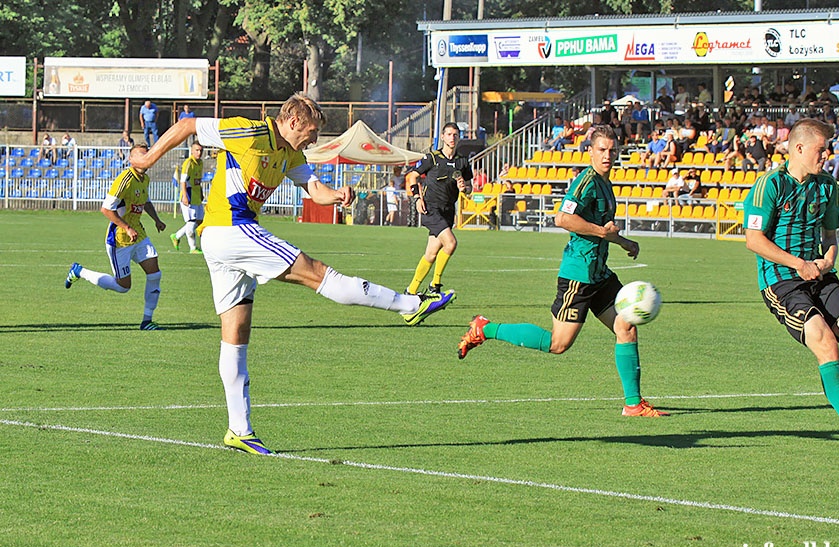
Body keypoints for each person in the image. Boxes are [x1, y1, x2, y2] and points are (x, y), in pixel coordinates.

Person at [128, 93, 456, 455]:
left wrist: (338, 195)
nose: (314, 139)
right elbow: (190, 126)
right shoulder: (249, 131)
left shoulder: (292, 153)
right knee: (316, 273)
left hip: (222, 240)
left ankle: (239, 430)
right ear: (294, 122)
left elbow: (314, 190)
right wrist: (146, 158)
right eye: (312, 131)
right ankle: (409, 304)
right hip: (231, 229)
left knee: (236, 334)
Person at [457, 125, 668, 418]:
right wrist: (604, 234)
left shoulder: (606, 183)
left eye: (612, 150)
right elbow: (563, 218)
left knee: (626, 327)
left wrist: (623, 242)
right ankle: (485, 328)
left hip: (599, 273)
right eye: (602, 150)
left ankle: (633, 404)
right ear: (591, 151)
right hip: (578, 275)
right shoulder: (586, 182)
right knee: (558, 344)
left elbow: (603, 231)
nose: (608, 155)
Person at [743, 118, 839, 453]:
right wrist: (799, 264)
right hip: (782, 282)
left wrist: (826, 260)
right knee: (825, 341)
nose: (828, 154)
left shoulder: (826, 186)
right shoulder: (769, 184)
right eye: (821, 149)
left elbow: (830, 237)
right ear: (798, 148)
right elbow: (753, 240)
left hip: (820, 275)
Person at [64, 143, 167, 331]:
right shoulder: (124, 180)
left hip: (139, 234)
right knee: (123, 287)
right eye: (142, 155)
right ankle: (80, 272)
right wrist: (127, 227)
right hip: (119, 239)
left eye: (148, 155)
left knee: (155, 274)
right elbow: (106, 209)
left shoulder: (145, 179)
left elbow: (146, 201)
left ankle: (147, 321)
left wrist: (156, 220)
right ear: (131, 159)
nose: (146, 159)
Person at [404, 122, 473, 296]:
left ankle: (410, 290)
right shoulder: (432, 158)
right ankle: (435, 284)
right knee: (451, 243)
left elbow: (470, 188)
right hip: (431, 208)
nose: (452, 137)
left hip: (448, 210)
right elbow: (412, 176)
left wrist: (464, 187)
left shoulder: (462, 161)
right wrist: (417, 198)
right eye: (449, 134)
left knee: (431, 253)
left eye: (455, 134)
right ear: (442, 137)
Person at [170, 142, 205, 253]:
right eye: (197, 150)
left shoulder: (200, 163)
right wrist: (185, 196)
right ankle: (193, 248)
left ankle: (177, 236)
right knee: (191, 222)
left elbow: (198, 181)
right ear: (192, 150)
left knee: (199, 221)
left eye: (200, 150)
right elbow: (183, 181)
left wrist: (201, 192)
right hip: (189, 196)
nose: (199, 152)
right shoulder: (188, 163)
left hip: (196, 196)